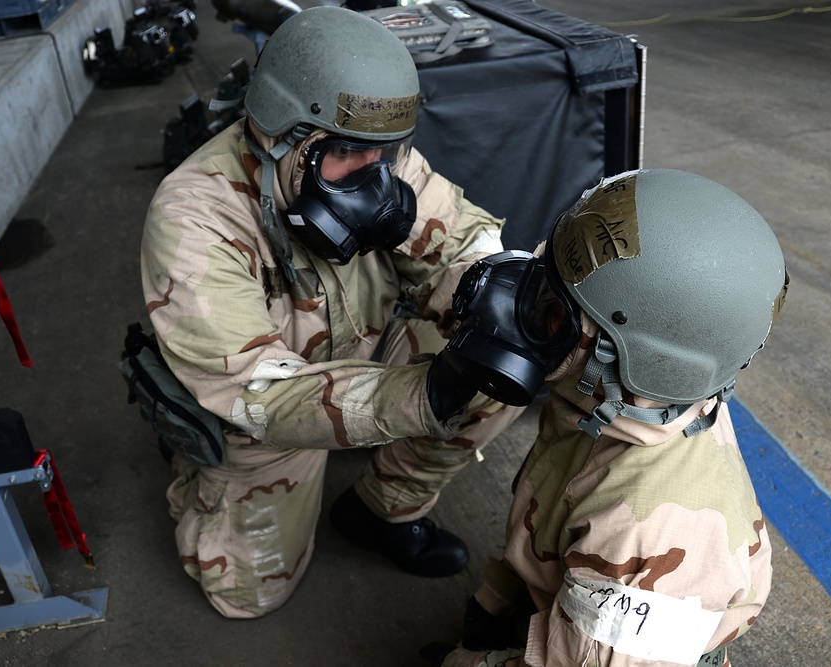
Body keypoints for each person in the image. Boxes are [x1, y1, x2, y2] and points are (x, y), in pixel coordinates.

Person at [140, 6, 523, 619]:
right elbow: (260, 391)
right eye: (346, 153)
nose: (376, 180)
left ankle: (384, 506)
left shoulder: (376, 159)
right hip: (265, 411)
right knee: (246, 598)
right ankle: (199, 472)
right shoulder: (193, 219)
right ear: (278, 134)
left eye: (387, 153)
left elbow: (461, 241)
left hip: (361, 351)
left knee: (503, 350)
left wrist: (502, 291)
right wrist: (422, 397)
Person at [426, 168, 789, 666]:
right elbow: (551, 506)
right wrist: (496, 603)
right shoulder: (620, 403)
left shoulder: (644, 546)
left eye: (551, 308)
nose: (524, 310)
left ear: (628, 358)